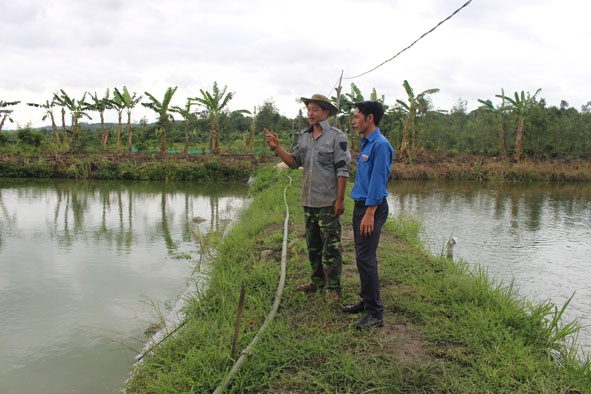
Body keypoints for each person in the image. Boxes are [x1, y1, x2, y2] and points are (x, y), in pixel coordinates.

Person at [264, 94, 351, 304]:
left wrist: (339, 200)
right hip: (308, 201)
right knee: (312, 245)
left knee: (330, 246)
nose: (310, 113)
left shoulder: (337, 137)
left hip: (327, 202)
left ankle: (333, 287)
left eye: (315, 109)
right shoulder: (303, 137)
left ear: (326, 112)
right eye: (308, 109)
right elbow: (294, 162)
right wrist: (277, 147)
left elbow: (342, 170)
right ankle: (317, 281)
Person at [342, 100, 394, 329]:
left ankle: (375, 313)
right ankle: (366, 300)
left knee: (366, 258)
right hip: (361, 205)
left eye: (356, 116)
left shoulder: (380, 145)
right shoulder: (367, 143)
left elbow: (378, 181)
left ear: (369, 118)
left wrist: (370, 212)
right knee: (362, 257)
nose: (353, 121)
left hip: (371, 207)